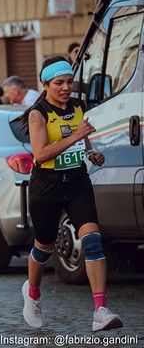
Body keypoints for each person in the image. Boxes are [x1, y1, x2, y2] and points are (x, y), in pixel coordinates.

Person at [20, 56, 123, 332]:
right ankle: (32, 294)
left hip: (77, 181)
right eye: (59, 83)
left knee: (92, 240)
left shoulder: (77, 106)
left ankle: (100, 311)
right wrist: (76, 138)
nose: (66, 87)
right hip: (47, 186)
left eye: (69, 81)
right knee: (44, 247)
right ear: (45, 84)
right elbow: (40, 155)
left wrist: (91, 152)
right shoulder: (37, 113)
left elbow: (83, 139)